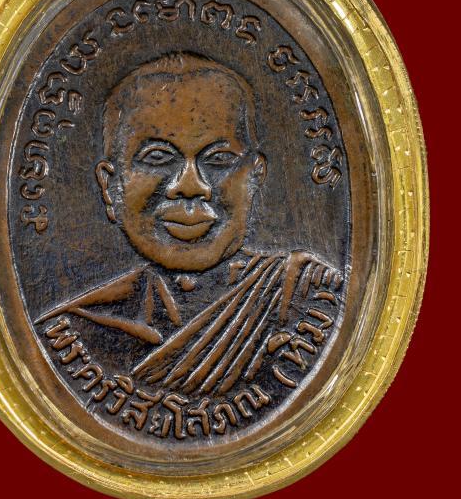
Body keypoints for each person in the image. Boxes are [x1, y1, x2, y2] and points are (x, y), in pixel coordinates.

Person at [37, 52, 343, 396]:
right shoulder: (74, 327)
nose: (190, 185)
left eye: (219, 159)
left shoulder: (306, 294)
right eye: (158, 157)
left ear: (254, 177)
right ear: (111, 187)